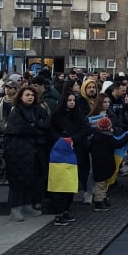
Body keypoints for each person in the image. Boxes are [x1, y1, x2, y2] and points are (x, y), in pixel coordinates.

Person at [4, 85, 51, 222]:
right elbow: (19, 128)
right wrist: (35, 129)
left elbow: (47, 123)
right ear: (21, 96)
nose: (30, 97)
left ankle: (27, 205)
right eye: (27, 95)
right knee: (18, 179)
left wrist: (36, 127)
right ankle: (15, 208)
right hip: (19, 150)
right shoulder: (17, 111)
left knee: (33, 179)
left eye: (32, 95)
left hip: (35, 150)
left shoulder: (38, 110)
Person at [49, 92, 90, 225]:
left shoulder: (78, 115)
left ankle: (66, 208)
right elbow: (50, 130)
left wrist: (73, 139)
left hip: (75, 150)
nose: (71, 102)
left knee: (71, 181)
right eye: (69, 100)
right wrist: (62, 140)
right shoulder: (56, 115)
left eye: (73, 100)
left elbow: (85, 129)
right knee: (60, 182)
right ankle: (59, 211)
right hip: (60, 152)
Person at [88, 116, 128, 211]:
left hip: (97, 163)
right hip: (107, 163)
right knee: (102, 184)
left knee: (101, 182)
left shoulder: (94, 137)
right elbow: (119, 143)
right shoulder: (108, 138)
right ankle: (98, 201)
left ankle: (102, 198)